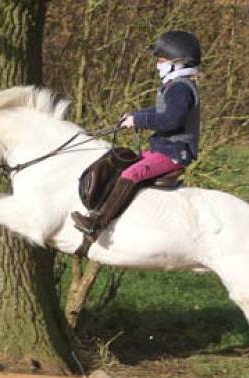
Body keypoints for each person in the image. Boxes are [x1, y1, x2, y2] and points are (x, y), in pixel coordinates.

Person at [71, 30, 201, 239]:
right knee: (124, 163)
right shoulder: (173, 87)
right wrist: (135, 115)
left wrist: (139, 121)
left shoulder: (180, 89)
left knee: (131, 174)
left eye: (161, 60)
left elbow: (170, 120)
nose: (157, 65)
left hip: (174, 153)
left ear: (178, 62)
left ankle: (97, 225)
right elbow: (159, 111)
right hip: (163, 149)